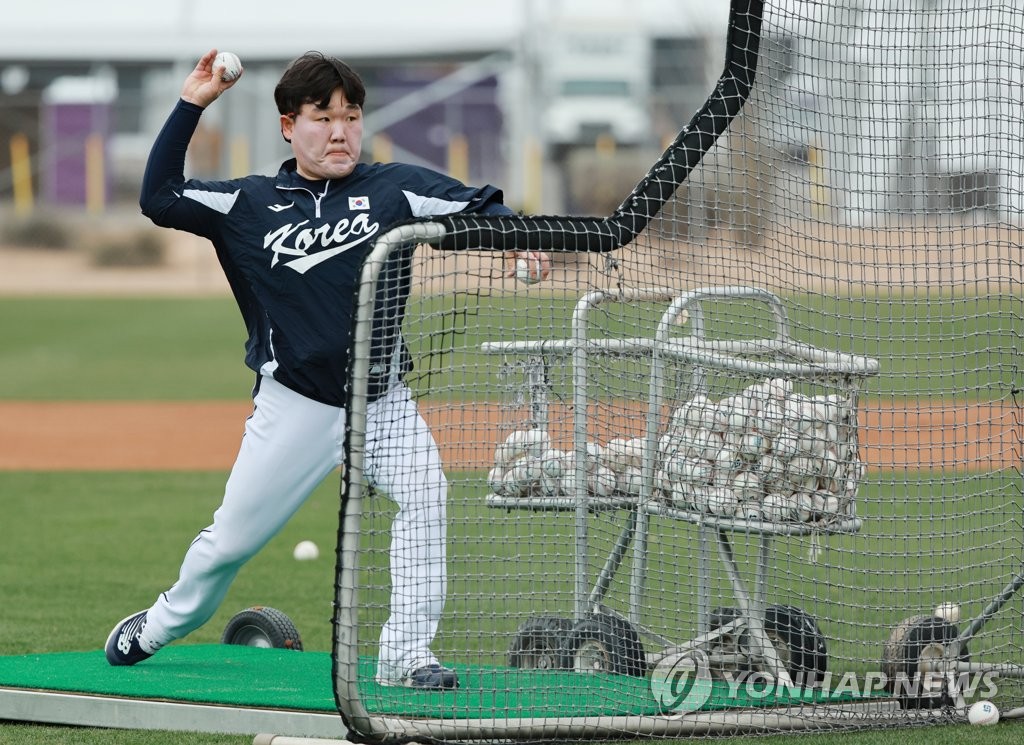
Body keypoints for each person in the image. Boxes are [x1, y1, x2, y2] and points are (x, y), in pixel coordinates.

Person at [104, 49, 550, 690]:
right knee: (229, 544)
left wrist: (519, 241)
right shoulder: (249, 204)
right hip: (295, 404)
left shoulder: (392, 188)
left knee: (427, 498)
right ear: (289, 126)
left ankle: (406, 656)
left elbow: (481, 204)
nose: (340, 130)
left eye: (351, 115)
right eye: (322, 117)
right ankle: (161, 625)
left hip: (382, 399)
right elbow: (160, 197)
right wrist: (192, 104)